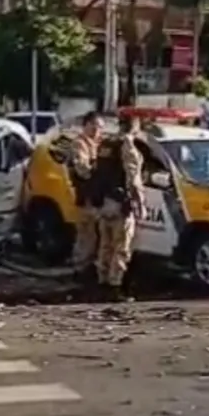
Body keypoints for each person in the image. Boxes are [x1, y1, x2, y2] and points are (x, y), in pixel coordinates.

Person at [90, 114, 145, 301]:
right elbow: (133, 178)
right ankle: (115, 287)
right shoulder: (127, 145)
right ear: (135, 127)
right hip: (120, 202)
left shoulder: (106, 143)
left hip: (103, 201)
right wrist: (140, 203)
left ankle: (101, 283)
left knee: (105, 245)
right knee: (121, 247)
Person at [70, 111, 103, 279]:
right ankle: (80, 269)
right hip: (87, 199)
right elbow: (82, 170)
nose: (97, 130)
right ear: (86, 125)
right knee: (86, 236)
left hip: (99, 199)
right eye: (94, 126)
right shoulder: (80, 144)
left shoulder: (100, 144)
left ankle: (91, 268)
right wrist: (99, 171)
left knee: (97, 236)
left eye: (100, 127)